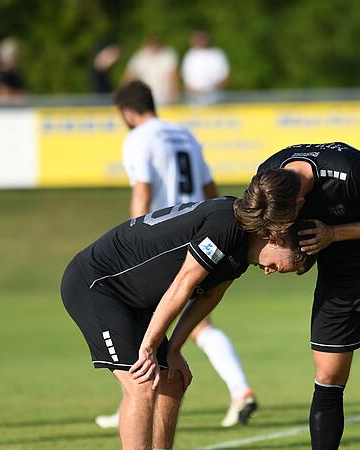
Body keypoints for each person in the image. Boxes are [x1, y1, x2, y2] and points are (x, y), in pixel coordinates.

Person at [61, 197, 315, 449]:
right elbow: (185, 282)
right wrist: (149, 346)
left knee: (173, 379)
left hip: (135, 301)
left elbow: (210, 296)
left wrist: (173, 350)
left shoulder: (240, 248)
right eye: (279, 266)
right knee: (143, 382)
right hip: (96, 283)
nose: (270, 271)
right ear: (276, 239)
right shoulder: (227, 226)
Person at [94, 80, 258, 429]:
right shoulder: (184, 134)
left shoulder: (139, 137)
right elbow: (213, 193)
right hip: (200, 233)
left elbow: (143, 191)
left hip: (161, 246)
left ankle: (239, 389)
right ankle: (133, 403)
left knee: (179, 324)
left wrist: (130, 245)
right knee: (170, 324)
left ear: (126, 111)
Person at [234, 142, 360, 449]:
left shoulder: (351, 170)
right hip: (336, 277)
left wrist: (333, 235)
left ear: (301, 200)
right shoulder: (267, 176)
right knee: (328, 379)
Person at [123, 37, 179, 105]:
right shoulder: (140, 56)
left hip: (163, 97)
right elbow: (131, 75)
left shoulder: (167, 56)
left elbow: (172, 75)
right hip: (145, 97)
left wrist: (172, 92)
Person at [181, 30, 230, 104]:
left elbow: (225, 76)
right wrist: (192, 90)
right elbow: (185, 77)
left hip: (215, 97)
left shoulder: (217, 54)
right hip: (194, 98)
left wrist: (212, 90)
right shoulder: (190, 55)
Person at [0, 37, 28, 104]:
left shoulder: (11, 73)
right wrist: (20, 95)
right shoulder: (6, 74)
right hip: (8, 111)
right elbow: (0, 94)